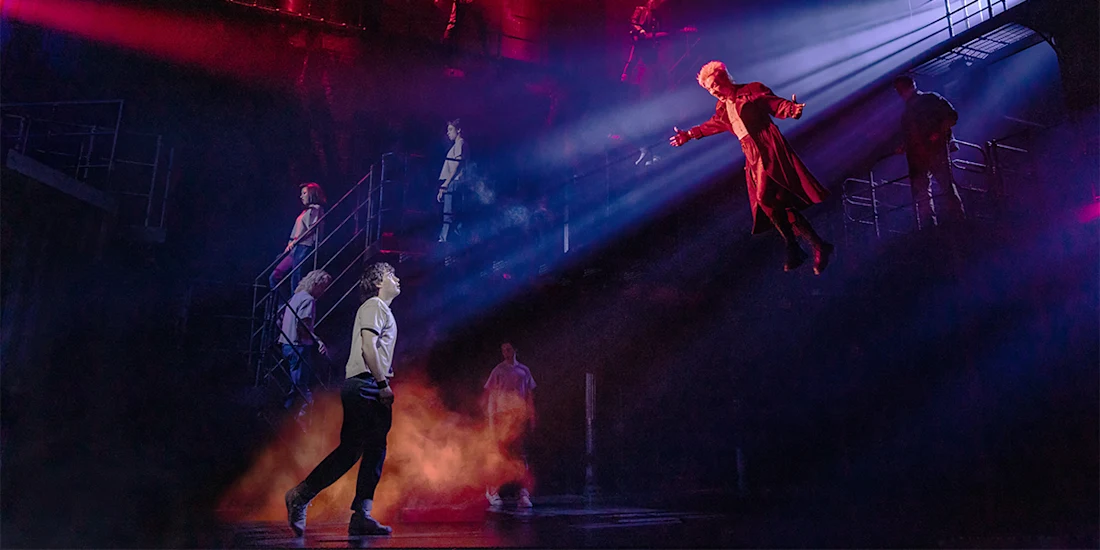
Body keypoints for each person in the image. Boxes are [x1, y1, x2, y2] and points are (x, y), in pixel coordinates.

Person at [669, 61, 834, 274]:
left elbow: (773, 103)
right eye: (709, 89)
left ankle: (794, 247)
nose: (713, 92)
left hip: (768, 146)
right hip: (751, 154)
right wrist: (689, 135)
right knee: (773, 203)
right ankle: (817, 245)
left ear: (724, 79)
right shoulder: (722, 108)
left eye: (715, 86)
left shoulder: (751, 90)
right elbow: (712, 125)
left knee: (765, 198)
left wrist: (791, 109)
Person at [285, 262, 401, 538]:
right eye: (390, 275)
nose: (397, 279)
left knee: (375, 450)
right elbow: (367, 346)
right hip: (365, 384)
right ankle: (300, 495)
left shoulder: (383, 310)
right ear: (377, 283)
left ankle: (362, 514)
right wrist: (382, 383)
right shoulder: (374, 305)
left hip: (370, 384)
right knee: (352, 450)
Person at [893, 75, 965, 229]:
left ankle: (957, 222)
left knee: (944, 187)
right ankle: (932, 226)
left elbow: (952, 117)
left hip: (935, 151)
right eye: (899, 90)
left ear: (912, 85)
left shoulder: (930, 99)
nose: (901, 93)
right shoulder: (907, 113)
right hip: (917, 157)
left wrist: (937, 134)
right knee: (925, 191)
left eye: (902, 89)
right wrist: (905, 146)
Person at [483, 342, 536, 508]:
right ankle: (492, 491)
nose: (505, 352)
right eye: (503, 350)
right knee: (499, 455)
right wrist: (491, 420)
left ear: (515, 350)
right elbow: (491, 396)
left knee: (522, 457)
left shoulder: (524, 371)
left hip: (518, 418)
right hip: (502, 418)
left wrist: (532, 415)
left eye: (508, 349)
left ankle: (523, 493)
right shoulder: (498, 371)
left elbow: (529, 395)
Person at [278, 269, 332, 417]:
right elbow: (303, 326)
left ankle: (287, 414)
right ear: (317, 284)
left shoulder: (296, 297)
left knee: (295, 386)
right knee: (302, 390)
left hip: (286, 344)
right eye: (324, 286)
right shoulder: (308, 300)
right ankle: (300, 423)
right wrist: (318, 341)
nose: (324, 291)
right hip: (298, 347)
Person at [270, 183, 326, 295]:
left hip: (304, 245)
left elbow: (311, 229)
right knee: (275, 276)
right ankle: (284, 304)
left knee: (296, 276)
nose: (302, 196)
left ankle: (294, 305)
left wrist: (295, 241)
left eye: (304, 193)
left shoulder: (316, 209)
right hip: (295, 246)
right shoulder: (305, 211)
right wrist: (290, 244)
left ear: (312, 194)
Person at [437, 119, 467, 243]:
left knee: (448, 213)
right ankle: (454, 239)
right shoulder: (456, 144)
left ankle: (444, 239)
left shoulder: (460, 143)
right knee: (453, 213)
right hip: (454, 182)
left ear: (458, 130)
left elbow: (456, 166)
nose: (448, 133)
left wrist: (445, 184)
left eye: (450, 129)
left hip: (454, 182)